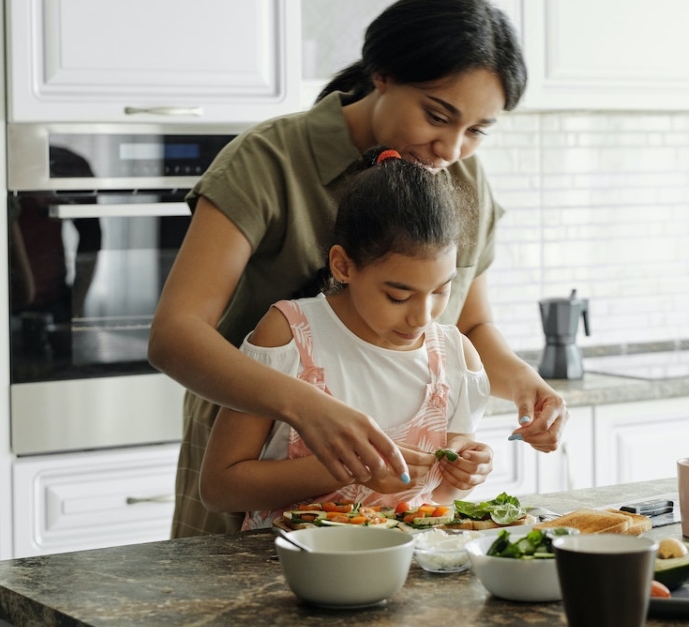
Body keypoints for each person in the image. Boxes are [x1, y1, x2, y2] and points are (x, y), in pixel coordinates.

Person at [148, 0, 568, 536]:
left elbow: (470, 327)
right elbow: (174, 335)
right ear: (382, 76)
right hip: (255, 458)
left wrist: (528, 384)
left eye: (477, 130)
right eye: (437, 116)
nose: (452, 147)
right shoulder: (268, 160)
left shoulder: (462, 177)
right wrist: (308, 408)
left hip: (389, 515)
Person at [200, 147, 491, 528]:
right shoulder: (289, 336)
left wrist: (463, 476)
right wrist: (347, 469)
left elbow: (439, 499)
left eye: (441, 290)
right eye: (398, 296)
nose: (423, 316)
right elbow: (219, 488)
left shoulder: (456, 357)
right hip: (286, 571)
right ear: (343, 265)